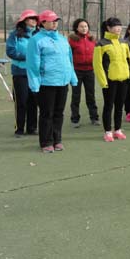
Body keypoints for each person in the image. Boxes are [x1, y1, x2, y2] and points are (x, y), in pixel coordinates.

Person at [26, 10, 77, 153]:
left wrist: (72, 77)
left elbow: (69, 59)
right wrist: (35, 83)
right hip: (46, 83)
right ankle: (46, 142)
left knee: (59, 113)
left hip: (62, 82)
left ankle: (57, 140)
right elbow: (32, 63)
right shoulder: (36, 40)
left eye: (56, 21)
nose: (55, 23)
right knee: (46, 113)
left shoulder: (62, 39)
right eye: (51, 21)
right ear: (42, 23)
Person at [93, 17, 130, 142]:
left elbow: (129, 61)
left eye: (120, 26)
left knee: (119, 106)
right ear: (108, 28)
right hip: (109, 81)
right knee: (108, 106)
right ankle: (107, 131)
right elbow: (97, 65)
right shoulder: (101, 44)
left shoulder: (124, 43)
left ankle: (118, 130)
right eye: (116, 26)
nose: (118, 28)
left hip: (124, 79)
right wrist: (103, 81)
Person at [6, 9, 39, 138]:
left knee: (33, 102)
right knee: (21, 101)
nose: (34, 21)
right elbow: (11, 51)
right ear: (24, 20)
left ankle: (32, 128)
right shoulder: (15, 34)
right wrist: (28, 56)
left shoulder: (38, 34)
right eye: (31, 18)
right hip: (20, 73)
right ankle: (19, 129)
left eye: (35, 19)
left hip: (35, 73)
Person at [68, 18, 99, 128]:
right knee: (76, 96)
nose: (84, 28)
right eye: (81, 26)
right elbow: (68, 56)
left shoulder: (92, 40)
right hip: (76, 71)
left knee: (91, 95)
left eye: (85, 26)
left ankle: (94, 117)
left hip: (90, 71)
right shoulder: (72, 40)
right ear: (76, 28)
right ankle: (75, 119)